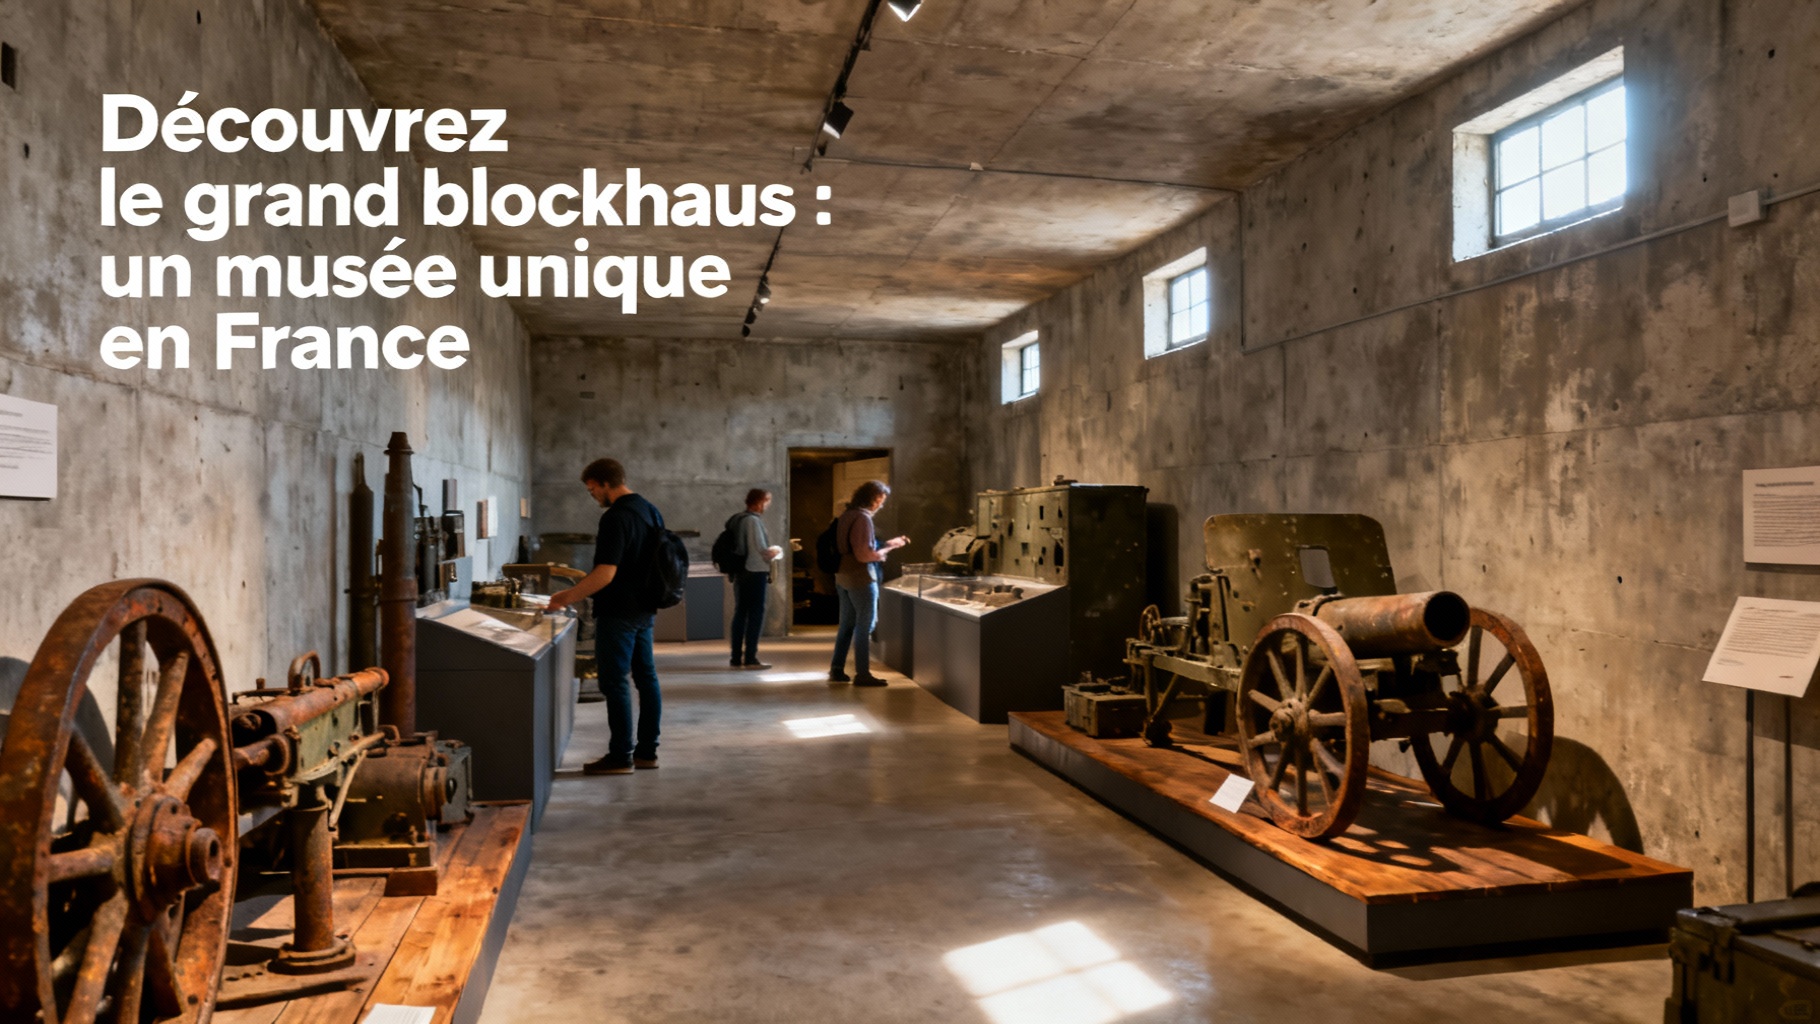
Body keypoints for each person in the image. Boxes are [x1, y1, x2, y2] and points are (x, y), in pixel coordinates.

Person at [547, 458, 665, 775]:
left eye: (592, 490)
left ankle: (620, 756)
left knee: (615, 683)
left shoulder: (616, 517)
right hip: (644, 608)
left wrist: (564, 597)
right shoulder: (650, 511)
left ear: (604, 484)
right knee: (647, 679)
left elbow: (605, 574)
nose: (593, 496)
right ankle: (647, 752)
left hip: (618, 611)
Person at [829, 480, 909, 686]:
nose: (880, 505)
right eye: (879, 501)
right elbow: (864, 555)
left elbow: (851, 546)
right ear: (871, 499)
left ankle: (837, 669)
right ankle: (862, 673)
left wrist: (887, 545)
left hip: (842, 576)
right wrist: (883, 554)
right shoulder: (863, 518)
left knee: (846, 624)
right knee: (865, 625)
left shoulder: (846, 515)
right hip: (860, 578)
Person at [728, 488, 784, 670]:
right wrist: (776, 551)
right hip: (754, 571)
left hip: (741, 571)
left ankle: (736, 656)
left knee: (741, 613)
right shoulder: (752, 521)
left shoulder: (738, 519)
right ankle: (750, 656)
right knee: (756, 614)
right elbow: (761, 550)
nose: (767, 505)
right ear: (759, 502)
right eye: (766, 501)